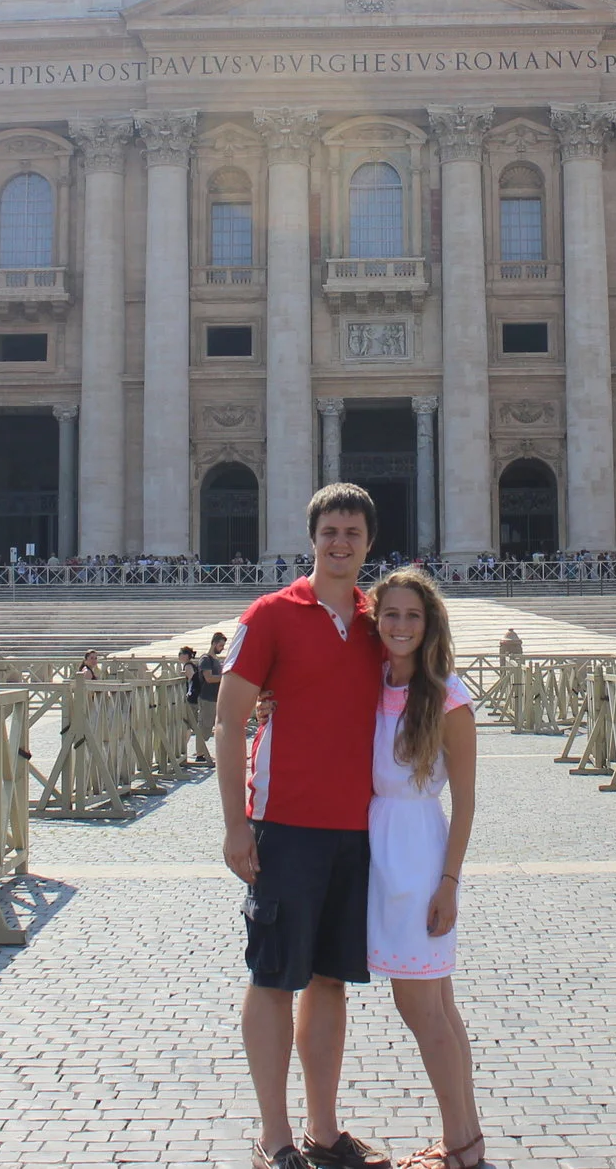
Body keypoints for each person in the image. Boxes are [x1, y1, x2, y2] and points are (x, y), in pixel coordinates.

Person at [217, 483, 392, 1169]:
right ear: (312, 538)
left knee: (329, 981)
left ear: (369, 543)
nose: (341, 543)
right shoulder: (268, 615)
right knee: (271, 976)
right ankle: (275, 1135)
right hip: (284, 823)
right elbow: (229, 723)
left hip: (355, 827)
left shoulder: (380, 621)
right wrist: (237, 825)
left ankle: (324, 1130)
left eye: (352, 533)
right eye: (330, 532)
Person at [367, 569, 484, 1168]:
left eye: (413, 616)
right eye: (391, 614)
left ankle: (459, 1143)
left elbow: (464, 800)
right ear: (375, 619)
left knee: (421, 1008)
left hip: (417, 858)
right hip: (380, 854)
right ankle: (467, 1137)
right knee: (438, 1005)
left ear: (429, 623)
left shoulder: (448, 697)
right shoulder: (371, 684)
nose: (402, 626)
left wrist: (448, 883)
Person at [187, 632, 226, 766]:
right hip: (207, 697)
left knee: (213, 726)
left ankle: (205, 752)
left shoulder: (215, 659)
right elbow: (209, 678)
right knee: (204, 726)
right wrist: (225, 678)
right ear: (214, 643)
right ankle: (200, 754)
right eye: (220, 645)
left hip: (216, 697)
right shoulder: (206, 659)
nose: (222, 648)